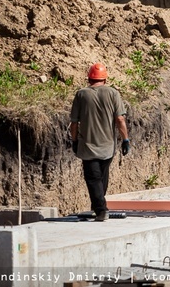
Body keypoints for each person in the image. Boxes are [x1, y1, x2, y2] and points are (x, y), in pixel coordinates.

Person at [69, 62, 130, 221]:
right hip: (108, 146)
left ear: (89, 78)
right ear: (105, 78)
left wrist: (74, 141)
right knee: (102, 177)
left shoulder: (81, 94)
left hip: (87, 146)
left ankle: (101, 210)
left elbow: (74, 123)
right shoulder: (113, 93)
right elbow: (120, 119)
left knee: (93, 178)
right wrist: (125, 139)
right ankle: (98, 207)